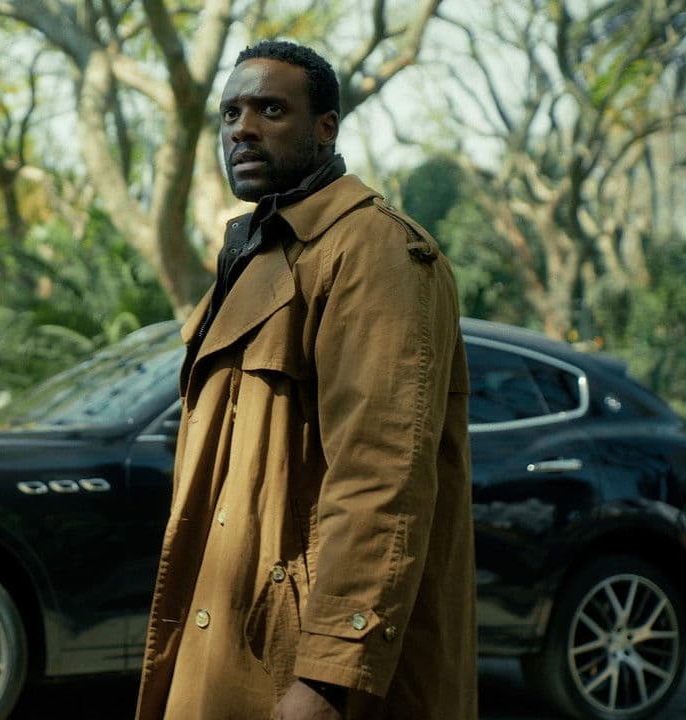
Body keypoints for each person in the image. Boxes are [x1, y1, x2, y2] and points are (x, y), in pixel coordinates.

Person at [135, 40, 477, 720]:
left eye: (270, 110)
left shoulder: (375, 249)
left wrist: (327, 675)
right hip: (233, 634)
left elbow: (381, 475)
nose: (242, 128)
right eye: (230, 113)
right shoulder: (261, 249)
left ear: (326, 127)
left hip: (306, 663)